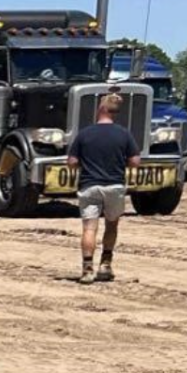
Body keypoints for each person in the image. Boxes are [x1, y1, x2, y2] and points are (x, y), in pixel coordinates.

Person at [67, 93, 140, 283]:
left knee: (89, 228)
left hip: (89, 185)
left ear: (101, 109)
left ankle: (87, 268)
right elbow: (135, 162)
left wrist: (86, 163)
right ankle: (106, 264)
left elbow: (72, 162)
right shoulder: (124, 134)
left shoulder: (85, 134)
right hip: (114, 186)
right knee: (111, 225)